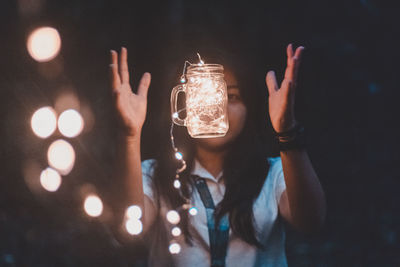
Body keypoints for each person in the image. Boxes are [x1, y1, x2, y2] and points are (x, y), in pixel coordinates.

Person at [109, 44, 326, 267]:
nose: (217, 107)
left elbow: (311, 221)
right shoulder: (153, 175)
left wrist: (287, 131)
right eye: (203, 96)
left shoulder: (275, 172)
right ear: (184, 104)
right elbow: (127, 229)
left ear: (249, 107)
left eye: (231, 96)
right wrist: (130, 136)